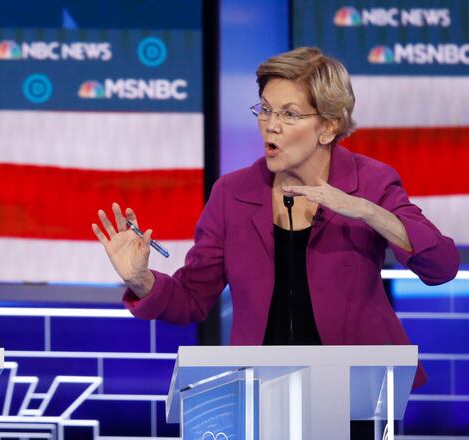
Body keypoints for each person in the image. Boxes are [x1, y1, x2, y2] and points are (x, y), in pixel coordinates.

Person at [93, 47, 458, 396]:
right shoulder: (232, 194)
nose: (271, 126)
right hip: (261, 391)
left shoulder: (371, 182)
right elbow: (193, 299)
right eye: (265, 110)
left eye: (289, 114)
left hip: (359, 388)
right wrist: (141, 280)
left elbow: (440, 266)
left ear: (328, 127)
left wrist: (366, 211)